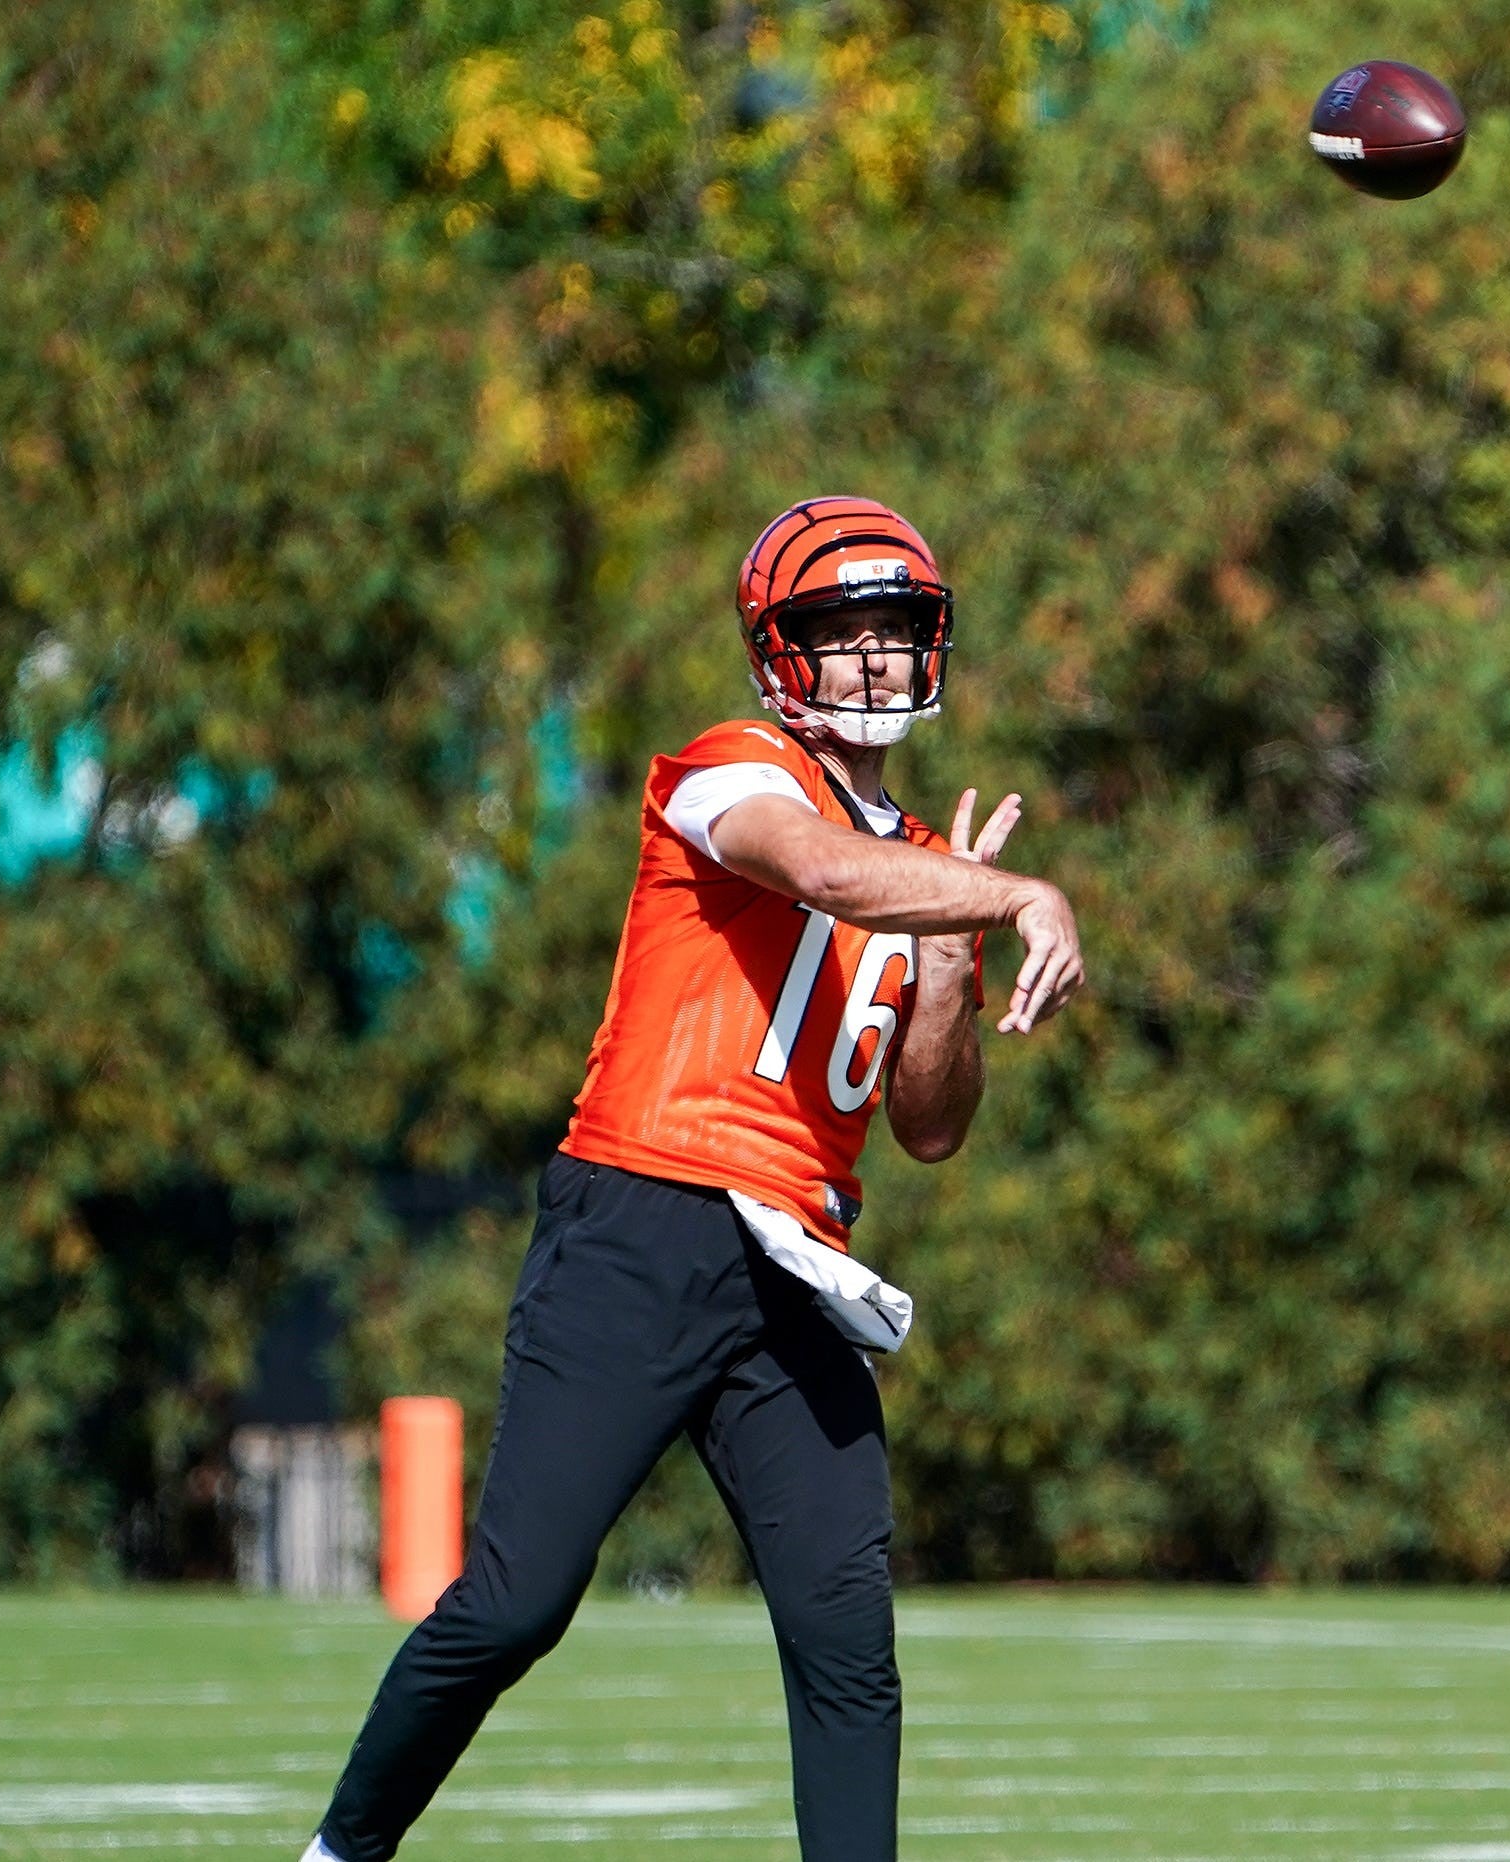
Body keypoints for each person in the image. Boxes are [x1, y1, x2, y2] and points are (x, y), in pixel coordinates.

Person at [302, 496, 1087, 1862]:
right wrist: (1007, 897)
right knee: (515, 1601)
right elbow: (814, 866)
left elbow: (934, 1125)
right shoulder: (731, 769)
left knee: (847, 1635)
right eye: (836, 635)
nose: (869, 663)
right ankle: (336, 1857)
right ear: (778, 653)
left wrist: (955, 955)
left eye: (891, 633)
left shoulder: (919, 873)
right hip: (643, 1221)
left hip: (794, 1265)